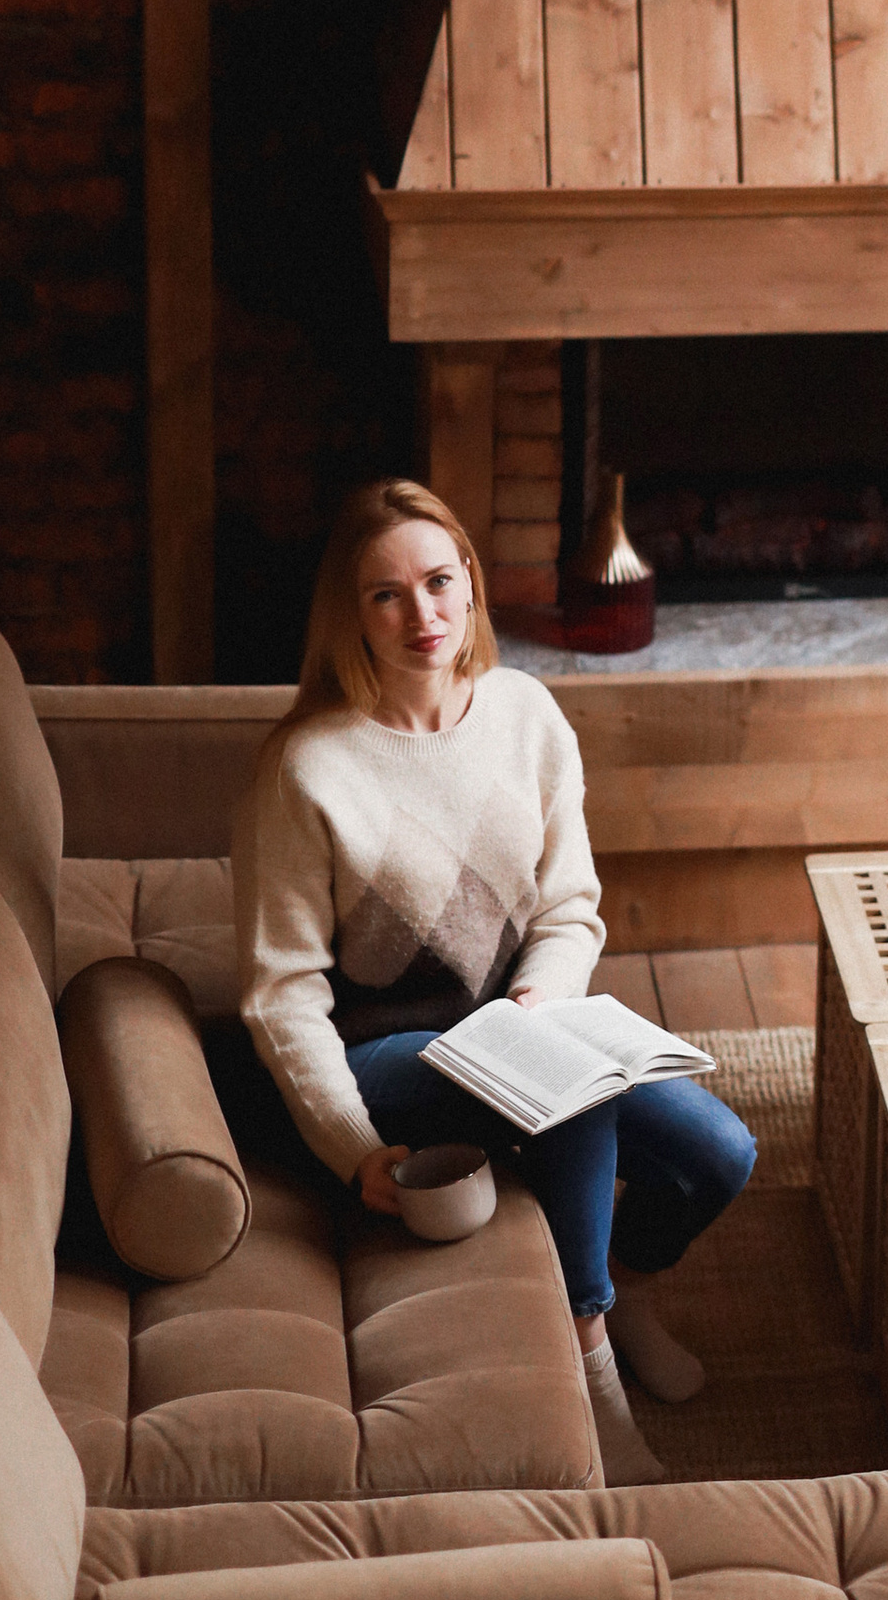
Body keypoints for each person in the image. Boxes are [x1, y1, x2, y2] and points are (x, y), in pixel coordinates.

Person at [235, 477, 756, 1486]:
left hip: (519, 1017)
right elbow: (280, 991)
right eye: (386, 595)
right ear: (351, 612)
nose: (421, 614)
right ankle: (587, 1346)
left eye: (438, 581)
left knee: (719, 1155)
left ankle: (634, 1285)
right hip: (387, 1050)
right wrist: (353, 1150)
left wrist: (538, 998)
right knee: (571, 1106)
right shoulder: (305, 769)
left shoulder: (525, 713)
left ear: (470, 582)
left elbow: (570, 907)